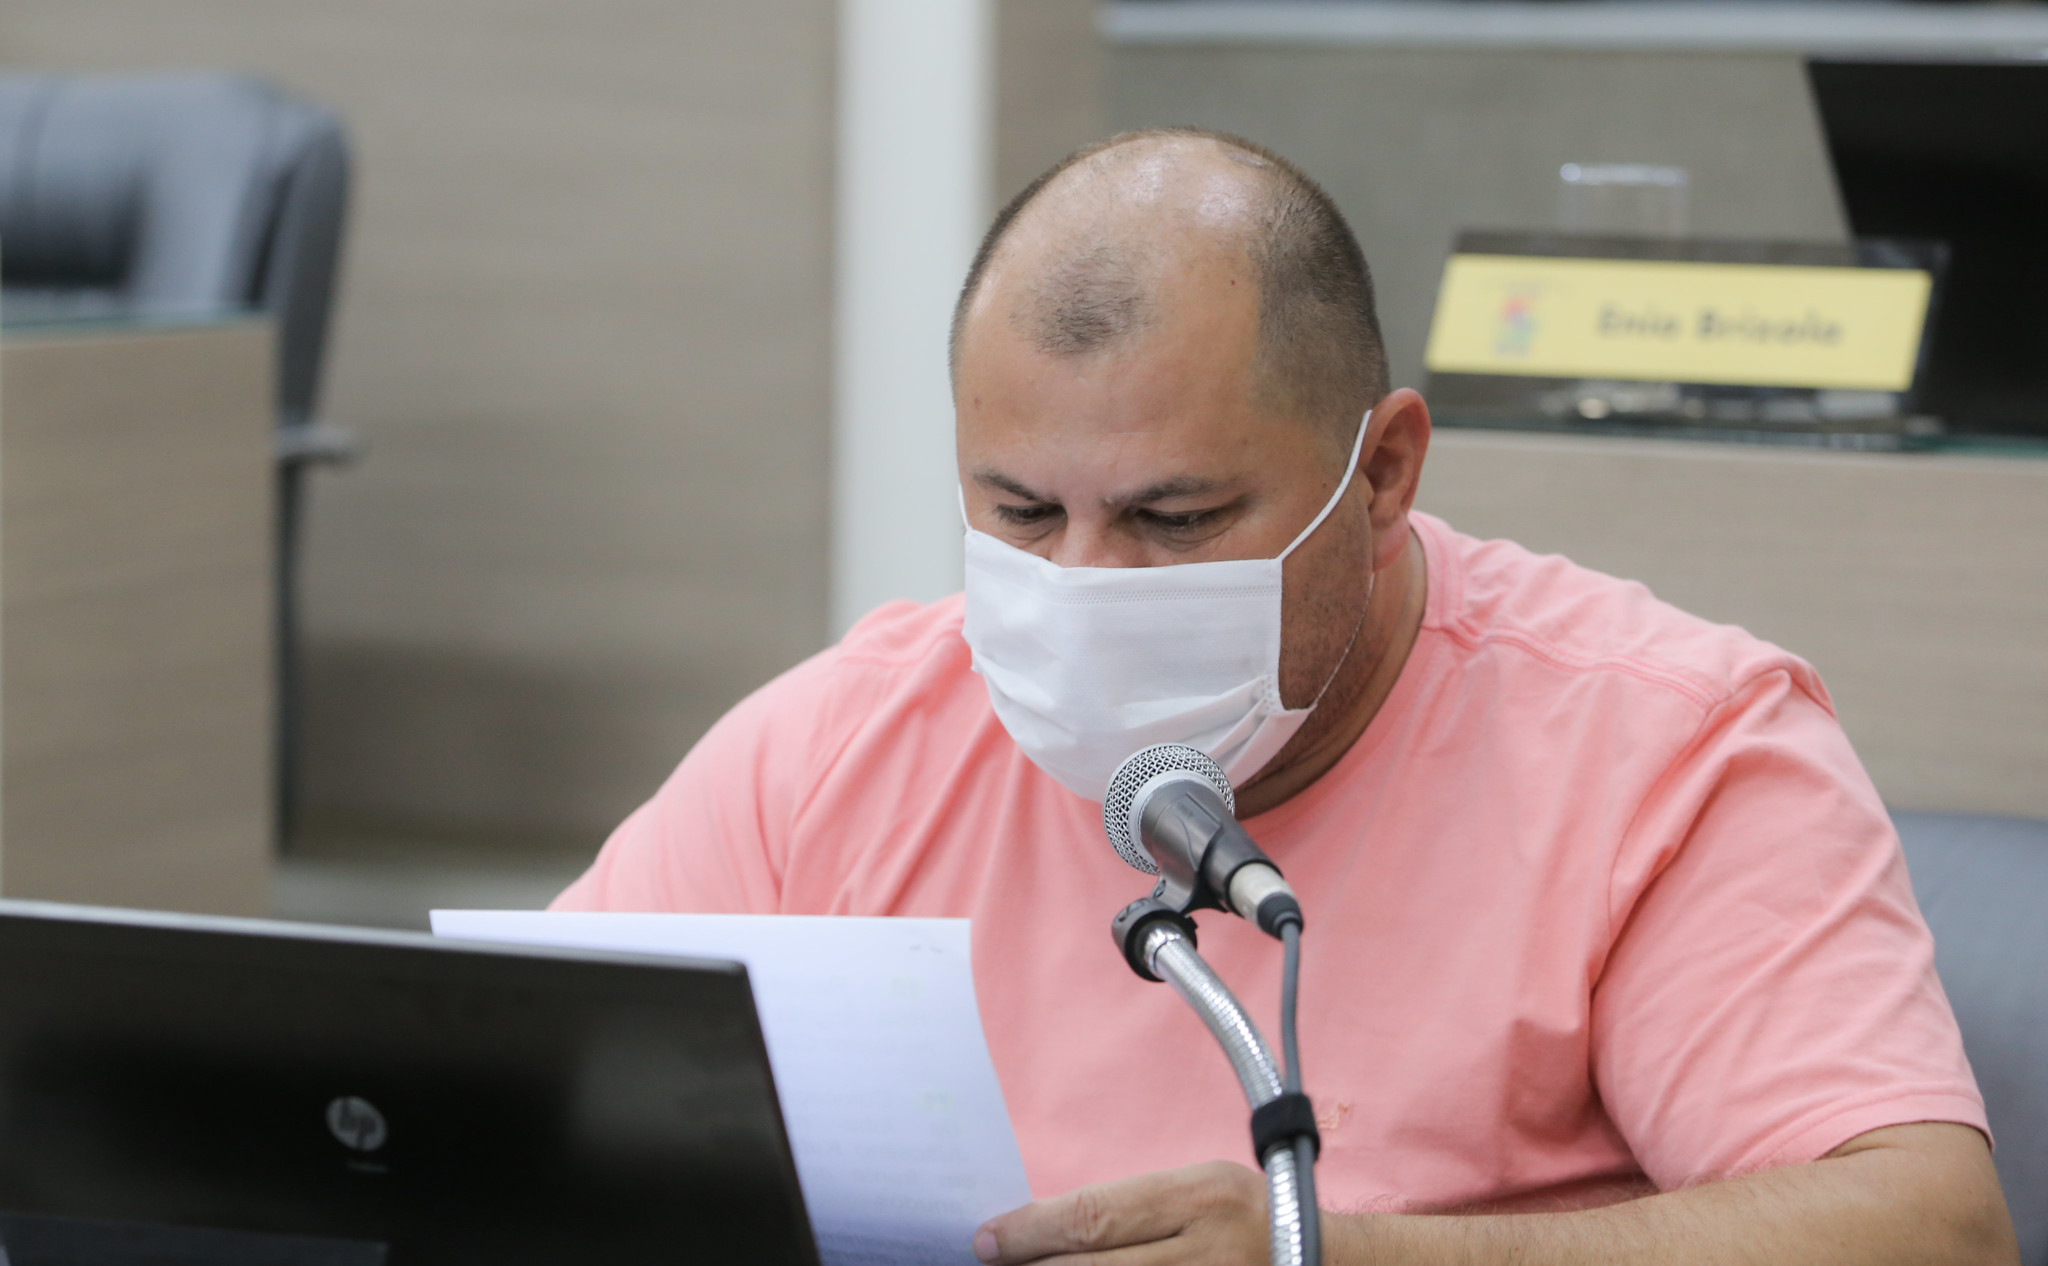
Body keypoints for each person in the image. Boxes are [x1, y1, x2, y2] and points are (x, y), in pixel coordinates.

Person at [555, 129, 2017, 1265]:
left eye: (1175, 519)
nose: (1083, 585)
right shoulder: (848, 744)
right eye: (1018, 512)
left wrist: (1336, 1250)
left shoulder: (1667, 752)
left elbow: (1927, 1230)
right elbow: (518, 1097)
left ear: (1381, 476)